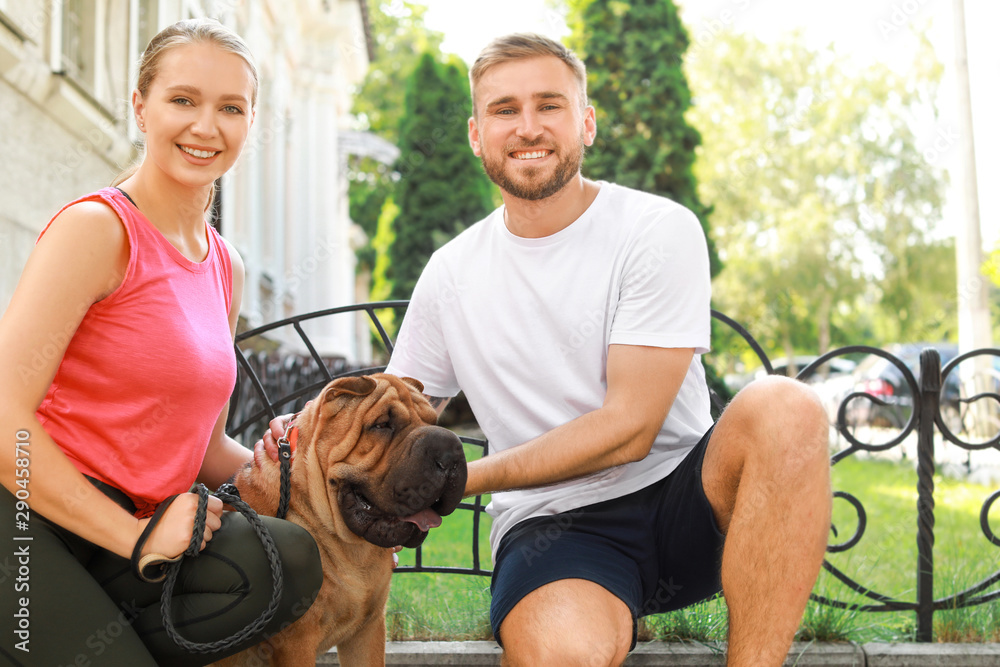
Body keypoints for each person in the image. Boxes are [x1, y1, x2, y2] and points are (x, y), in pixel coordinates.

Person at [263, 32, 832, 666]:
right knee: (560, 652)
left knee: (788, 406)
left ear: (585, 123)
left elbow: (629, 430)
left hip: (684, 497)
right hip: (556, 529)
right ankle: (599, 606)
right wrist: (307, 436)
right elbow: (393, 414)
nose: (527, 126)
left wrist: (459, 482)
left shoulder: (655, 229)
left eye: (549, 105)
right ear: (478, 134)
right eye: (504, 109)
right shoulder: (451, 273)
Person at [0, 18, 322, 667]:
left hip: (139, 533)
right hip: (30, 518)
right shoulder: (97, 228)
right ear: (141, 107)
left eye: (230, 108)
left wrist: (311, 471)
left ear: (250, 123)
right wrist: (134, 536)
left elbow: (201, 447)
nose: (206, 126)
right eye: (183, 100)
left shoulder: (222, 265)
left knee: (287, 558)